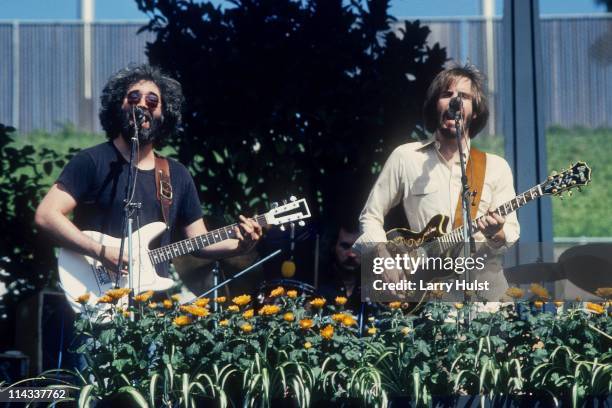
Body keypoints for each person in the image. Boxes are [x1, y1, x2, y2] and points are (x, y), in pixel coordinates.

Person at [35, 64, 262, 280]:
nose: (143, 104)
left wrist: (239, 246)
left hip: (152, 306)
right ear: (119, 106)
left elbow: (199, 242)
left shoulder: (177, 175)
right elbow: (47, 215)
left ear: (163, 114)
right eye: (134, 97)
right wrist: (100, 251)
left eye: (153, 100)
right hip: (96, 293)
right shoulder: (91, 161)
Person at [354, 63, 520, 302]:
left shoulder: (495, 167)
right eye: (447, 94)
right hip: (430, 298)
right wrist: (383, 257)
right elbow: (370, 216)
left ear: (475, 111)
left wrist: (497, 233)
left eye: (464, 96)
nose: (455, 101)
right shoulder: (406, 157)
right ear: (436, 105)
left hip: (486, 297)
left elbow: (510, 234)